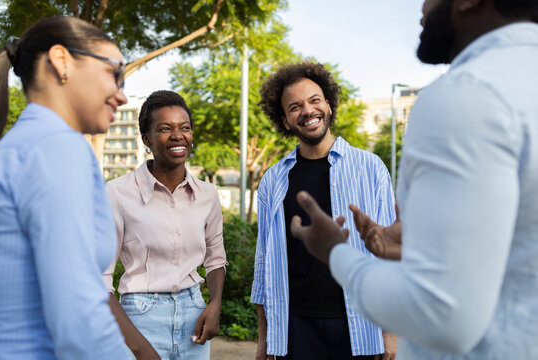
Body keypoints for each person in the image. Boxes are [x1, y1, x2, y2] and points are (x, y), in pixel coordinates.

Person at [290, 0, 538, 359]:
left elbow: (441, 312)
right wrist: (417, 249)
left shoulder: (465, 94)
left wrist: (335, 252)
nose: (420, 7)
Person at [0, 16, 129, 359]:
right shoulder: (57, 146)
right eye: (115, 73)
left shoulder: (21, 144)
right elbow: (79, 320)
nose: (122, 95)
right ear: (61, 61)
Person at [251, 62, 398, 360]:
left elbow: (390, 254)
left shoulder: (371, 169)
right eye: (295, 107)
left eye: (314, 100)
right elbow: (264, 263)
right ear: (285, 119)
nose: (307, 110)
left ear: (329, 105)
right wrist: (265, 338)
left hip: (361, 327)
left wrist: (391, 333)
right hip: (296, 329)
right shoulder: (273, 180)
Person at [103, 90, 227, 360]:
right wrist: (138, 346)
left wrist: (215, 304)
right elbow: (99, 280)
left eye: (185, 127)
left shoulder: (207, 194)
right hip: (139, 318)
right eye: (165, 129)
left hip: (195, 318)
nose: (178, 135)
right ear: (146, 139)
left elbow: (216, 258)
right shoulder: (117, 193)